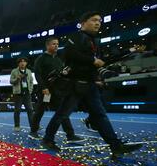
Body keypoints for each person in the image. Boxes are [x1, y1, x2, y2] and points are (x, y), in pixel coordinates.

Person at [41, 11, 142, 155]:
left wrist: (130, 51)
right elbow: (69, 54)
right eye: (94, 20)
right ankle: (47, 139)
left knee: (99, 115)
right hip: (74, 85)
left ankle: (115, 146)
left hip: (89, 85)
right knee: (62, 114)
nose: (98, 23)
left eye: (99, 21)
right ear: (83, 23)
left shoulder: (94, 41)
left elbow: (100, 62)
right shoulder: (77, 36)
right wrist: (92, 60)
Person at [29, 37, 85, 143]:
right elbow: (37, 74)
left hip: (58, 91)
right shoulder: (41, 58)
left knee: (62, 112)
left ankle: (70, 135)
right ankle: (33, 131)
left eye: (57, 44)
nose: (56, 46)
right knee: (40, 111)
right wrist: (44, 88)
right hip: (46, 91)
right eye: (54, 44)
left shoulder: (59, 59)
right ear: (48, 45)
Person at [10, 57, 34, 132]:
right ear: (18, 63)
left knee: (30, 110)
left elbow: (31, 81)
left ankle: (33, 126)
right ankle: (17, 126)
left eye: (24, 62)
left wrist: (30, 90)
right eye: (21, 62)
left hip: (27, 93)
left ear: (26, 63)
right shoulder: (14, 71)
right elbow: (11, 81)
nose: (22, 63)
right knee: (17, 110)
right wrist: (17, 79)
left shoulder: (29, 71)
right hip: (18, 93)